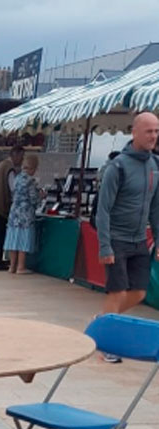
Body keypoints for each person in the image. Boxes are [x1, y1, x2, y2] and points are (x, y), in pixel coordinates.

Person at [96, 112, 159, 362]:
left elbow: (155, 207)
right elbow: (103, 209)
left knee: (139, 293)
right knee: (117, 292)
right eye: (149, 131)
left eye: (156, 131)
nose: (154, 136)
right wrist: (104, 246)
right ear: (134, 132)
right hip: (116, 239)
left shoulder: (155, 166)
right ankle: (105, 344)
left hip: (139, 241)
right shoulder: (117, 166)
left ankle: (102, 323)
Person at [0, 145, 25, 270]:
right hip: (0, 204)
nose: (22, 160)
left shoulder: (1, 165)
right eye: (22, 157)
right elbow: (13, 189)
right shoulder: (9, 168)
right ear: (16, 155)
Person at [3, 153, 42, 274]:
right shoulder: (31, 181)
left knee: (13, 238)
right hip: (25, 214)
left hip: (14, 212)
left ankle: (12, 266)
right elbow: (34, 199)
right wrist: (41, 196)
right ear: (32, 168)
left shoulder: (17, 178)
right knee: (23, 240)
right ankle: (20, 267)